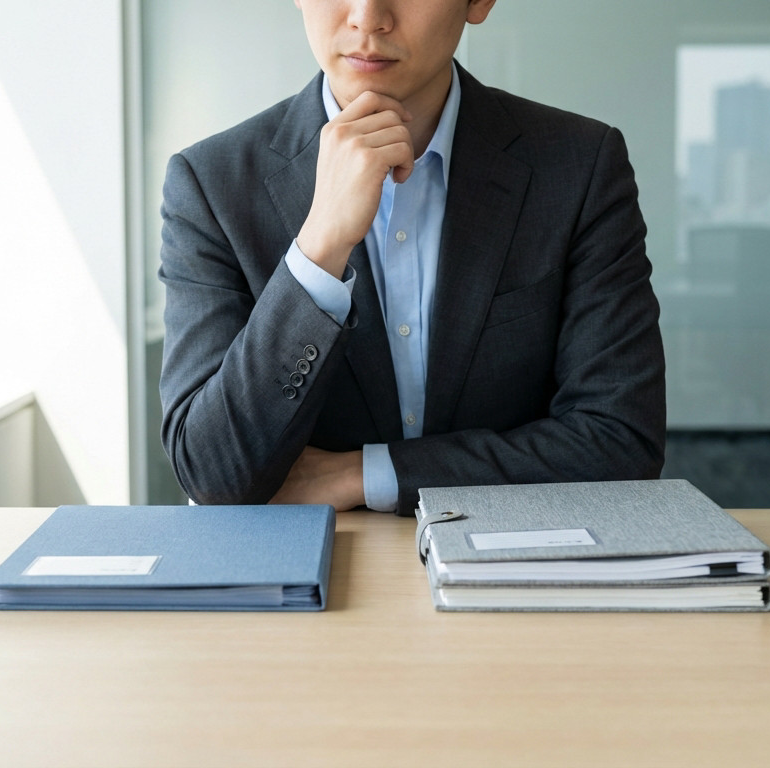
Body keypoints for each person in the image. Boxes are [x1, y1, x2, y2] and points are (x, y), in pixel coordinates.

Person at [158, 0, 665, 515]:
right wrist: (320, 248)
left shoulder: (579, 167)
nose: (367, 17)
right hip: (322, 577)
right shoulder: (211, 186)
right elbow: (212, 474)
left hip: (514, 572)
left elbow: (621, 442)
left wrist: (364, 475)